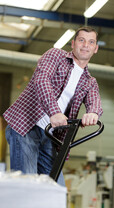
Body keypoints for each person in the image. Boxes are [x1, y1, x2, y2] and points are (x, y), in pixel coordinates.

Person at [3, 26, 103, 186]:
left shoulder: (90, 81)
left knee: (56, 189)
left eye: (91, 42)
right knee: (26, 186)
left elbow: (94, 101)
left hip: (50, 137)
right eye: (81, 40)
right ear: (73, 43)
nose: (86, 45)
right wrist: (54, 112)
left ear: (95, 48)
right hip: (26, 128)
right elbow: (41, 80)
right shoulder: (56, 55)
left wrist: (93, 113)